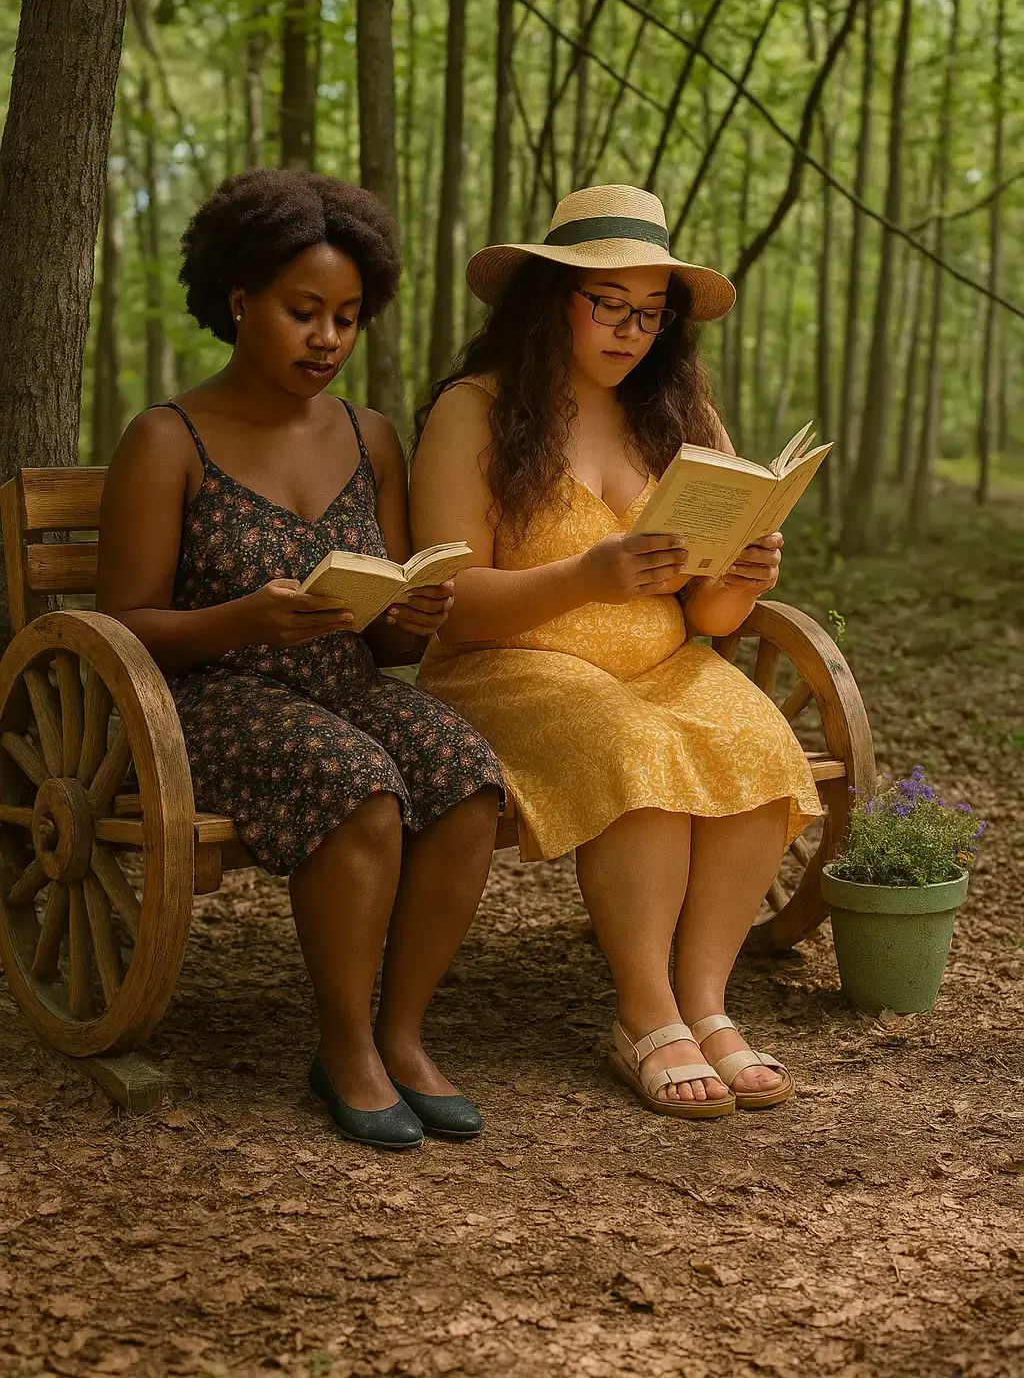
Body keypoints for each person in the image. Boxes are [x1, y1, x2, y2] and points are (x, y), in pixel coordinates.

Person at [96, 169, 504, 1151]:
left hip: (344, 684)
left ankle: (403, 1036)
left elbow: (391, 641)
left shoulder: (372, 437)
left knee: (467, 776)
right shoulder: (168, 438)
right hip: (204, 700)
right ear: (240, 303)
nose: (328, 339)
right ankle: (345, 1046)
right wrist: (241, 621)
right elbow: (122, 626)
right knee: (359, 786)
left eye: (349, 318)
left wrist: (417, 609)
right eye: (304, 312)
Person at [411, 184, 822, 1120]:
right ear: (550, 297)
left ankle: (706, 1005)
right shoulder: (474, 412)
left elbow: (712, 616)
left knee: (759, 742)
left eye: (651, 313)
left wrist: (746, 568)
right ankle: (644, 1016)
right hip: (511, 664)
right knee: (635, 745)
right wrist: (588, 577)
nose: (632, 331)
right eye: (610, 305)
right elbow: (451, 605)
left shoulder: (675, 410)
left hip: (665, 661)